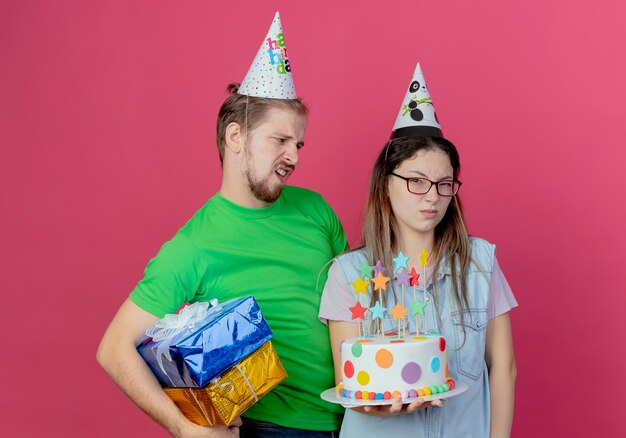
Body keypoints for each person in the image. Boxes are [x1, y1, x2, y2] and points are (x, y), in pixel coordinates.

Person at [97, 12, 347, 438]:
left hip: (356, 416)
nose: (295, 157)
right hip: (273, 428)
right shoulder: (195, 244)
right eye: (280, 140)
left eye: (299, 143)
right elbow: (113, 349)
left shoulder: (316, 210)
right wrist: (184, 428)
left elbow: (355, 304)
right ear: (236, 138)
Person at [319, 64, 517, 438]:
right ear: (385, 185)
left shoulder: (480, 262)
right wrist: (380, 407)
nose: (432, 196)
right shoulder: (348, 274)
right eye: (416, 181)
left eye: (444, 184)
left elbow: (503, 367)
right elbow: (353, 388)